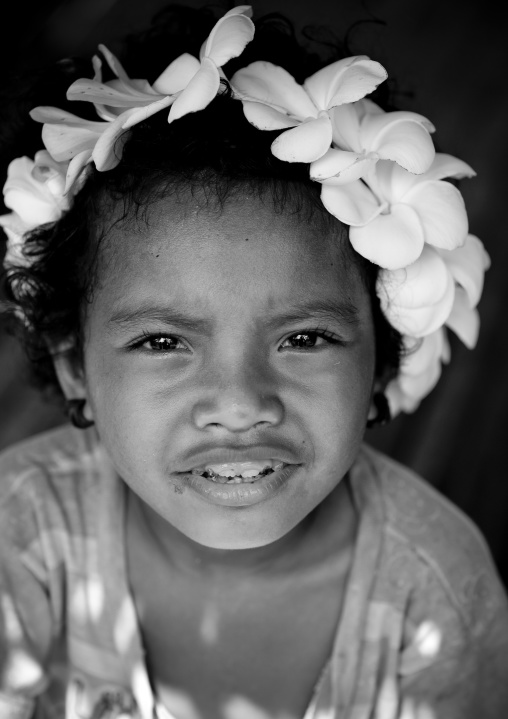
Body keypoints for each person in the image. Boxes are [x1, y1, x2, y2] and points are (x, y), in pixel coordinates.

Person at [0, 5, 507, 719]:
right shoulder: (17, 532)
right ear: (75, 366)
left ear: (385, 361)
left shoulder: (438, 589)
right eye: (162, 341)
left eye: (304, 338)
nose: (239, 402)